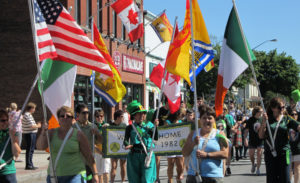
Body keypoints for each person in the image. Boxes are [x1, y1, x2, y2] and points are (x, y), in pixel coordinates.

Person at [37, 106, 99, 183]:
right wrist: (43, 132)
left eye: (68, 116)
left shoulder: (79, 134)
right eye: (62, 116)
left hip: (75, 175)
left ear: (72, 119)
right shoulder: (51, 132)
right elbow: (40, 147)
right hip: (54, 175)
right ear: (58, 119)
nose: (65, 118)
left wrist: (95, 174)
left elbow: (89, 155)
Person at [182, 105, 228, 183]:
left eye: (210, 118)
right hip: (194, 176)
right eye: (204, 118)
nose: (207, 120)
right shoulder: (193, 133)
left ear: (214, 120)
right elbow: (184, 152)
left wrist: (207, 155)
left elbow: (225, 154)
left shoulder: (220, 134)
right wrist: (193, 143)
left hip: (213, 176)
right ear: (200, 120)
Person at [259, 97, 300, 183]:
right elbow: (261, 135)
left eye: (284, 107)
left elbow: (298, 126)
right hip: (270, 153)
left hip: (284, 153)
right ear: (273, 108)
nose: (283, 109)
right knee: (272, 180)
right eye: (280, 107)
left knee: (285, 179)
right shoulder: (267, 119)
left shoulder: (287, 119)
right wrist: (263, 122)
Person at [123, 100, 159, 183]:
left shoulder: (149, 125)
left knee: (146, 180)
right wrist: (127, 145)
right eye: (139, 113)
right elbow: (125, 140)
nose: (142, 115)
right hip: (134, 156)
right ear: (134, 115)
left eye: (143, 113)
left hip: (147, 156)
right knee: (135, 180)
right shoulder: (130, 127)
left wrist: (155, 127)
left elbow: (156, 137)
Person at [73, 104, 102, 183]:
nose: (86, 115)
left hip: (89, 164)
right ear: (78, 114)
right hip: (77, 164)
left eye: (87, 112)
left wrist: (97, 134)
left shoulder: (93, 126)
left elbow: (100, 141)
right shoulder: (73, 127)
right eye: (84, 113)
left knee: (89, 181)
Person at [0, 109, 21, 183]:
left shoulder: (12, 133)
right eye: (3, 120)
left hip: (8, 172)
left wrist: (13, 139)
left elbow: (17, 154)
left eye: (7, 120)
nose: (5, 122)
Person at [152, 98, 169, 183]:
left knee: (171, 159)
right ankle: (157, 177)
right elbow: (152, 123)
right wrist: (156, 123)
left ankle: (170, 178)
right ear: (166, 103)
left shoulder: (173, 111)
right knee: (157, 157)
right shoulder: (158, 111)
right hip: (159, 136)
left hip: (170, 137)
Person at [165, 109, 185, 183]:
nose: (181, 115)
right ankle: (170, 180)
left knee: (180, 165)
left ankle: (178, 178)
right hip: (171, 145)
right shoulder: (167, 122)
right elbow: (166, 131)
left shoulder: (181, 122)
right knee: (171, 164)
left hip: (179, 145)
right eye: (180, 114)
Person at [244, 106, 264, 175]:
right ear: (256, 112)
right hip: (252, 139)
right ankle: (253, 163)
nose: (261, 113)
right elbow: (246, 130)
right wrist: (245, 139)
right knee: (251, 154)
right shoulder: (250, 120)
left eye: (262, 111)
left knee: (259, 153)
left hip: (260, 139)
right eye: (260, 111)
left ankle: (258, 169)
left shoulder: (262, 119)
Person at [22, 102, 41, 170]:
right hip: (29, 134)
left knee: (31, 149)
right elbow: (32, 126)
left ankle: (30, 164)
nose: (34, 110)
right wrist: (38, 125)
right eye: (34, 108)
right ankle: (28, 165)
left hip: (31, 134)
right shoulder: (27, 115)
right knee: (30, 149)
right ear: (31, 108)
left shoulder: (29, 115)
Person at [94, 109, 110, 183]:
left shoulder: (107, 126)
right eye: (97, 116)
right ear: (95, 117)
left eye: (101, 116)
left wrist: (107, 129)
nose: (99, 118)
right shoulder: (93, 127)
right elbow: (92, 142)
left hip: (106, 152)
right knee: (99, 173)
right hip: (97, 152)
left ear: (103, 117)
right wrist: (99, 151)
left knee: (106, 172)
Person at [110, 110, 127, 183]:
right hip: (113, 148)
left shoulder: (124, 125)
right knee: (114, 166)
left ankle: (123, 181)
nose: (123, 118)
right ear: (118, 117)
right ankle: (112, 181)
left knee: (123, 165)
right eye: (122, 117)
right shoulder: (110, 125)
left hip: (122, 148)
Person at [288, 108, 300, 183]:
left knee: (297, 168)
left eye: (296, 114)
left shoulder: (299, 125)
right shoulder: (287, 124)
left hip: (298, 149)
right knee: (289, 169)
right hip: (288, 149)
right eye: (292, 114)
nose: (294, 115)